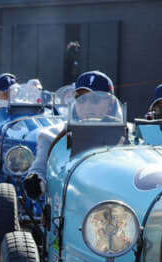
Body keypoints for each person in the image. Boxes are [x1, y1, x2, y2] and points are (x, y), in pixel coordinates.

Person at [23, 71, 115, 199]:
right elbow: (40, 169)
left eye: (95, 99)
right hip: (67, 206)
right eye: (81, 99)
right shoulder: (51, 135)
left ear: (110, 103)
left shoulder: (128, 133)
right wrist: (36, 181)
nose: (87, 106)